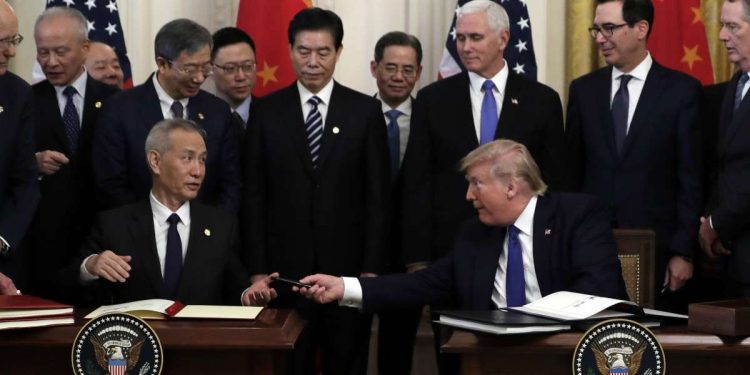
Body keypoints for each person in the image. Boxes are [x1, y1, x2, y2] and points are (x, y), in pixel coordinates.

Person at [288, 139, 624, 317]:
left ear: (511, 187)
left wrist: (536, 321)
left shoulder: (577, 215)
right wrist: (343, 287)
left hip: (566, 352)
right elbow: (423, 285)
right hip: (491, 358)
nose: (468, 195)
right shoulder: (474, 234)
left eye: (476, 184)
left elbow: (596, 289)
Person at [242, 7, 390, 375]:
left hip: (347, 272)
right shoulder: (267, 112)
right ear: (290, 50)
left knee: (347, 361)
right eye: (303, 51)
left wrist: (371, 270)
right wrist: (258, 270)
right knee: (290, 363)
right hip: (284, 273)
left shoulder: (364, 111)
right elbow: (254, 195)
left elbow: (378, 197)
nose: (313, 62)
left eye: (323, 52)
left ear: (339, 52)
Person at [401, 0, 568, 278]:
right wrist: (417, 257)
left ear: (503, 39)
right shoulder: (432, 100)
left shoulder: (542, 100)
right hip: (450, 248)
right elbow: (418, 182)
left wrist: (554, 242)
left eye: (475, 38)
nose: (465, 47)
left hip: (523, 247)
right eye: (461, 38)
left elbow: (555, 181)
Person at [566, 0, 703, 311]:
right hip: (593, 247)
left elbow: (691, 178)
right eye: (596, 29)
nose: (600, 38)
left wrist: (684, 252)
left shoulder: (682, 91)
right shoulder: (583, 91)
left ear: (641, 28)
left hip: (658, 249)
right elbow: (571, 176)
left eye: (609, 28)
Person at [65, 119, 268, 305]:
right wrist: (90, 266)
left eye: (203, 160)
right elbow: (65, 283)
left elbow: (234, 290)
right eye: (187, 158)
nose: (198, 171)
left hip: (200, 341)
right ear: (155, 161)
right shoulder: (114, 224)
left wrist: (247, 296)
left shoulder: (221, 226)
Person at [92, 19, 241, 213]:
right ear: (162, 63)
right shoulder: (120, 109)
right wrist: (152, 227)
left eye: (205, 68)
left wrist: (210, 230)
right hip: (138, 232)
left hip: (205, 234)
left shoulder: (218, 112)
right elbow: (110, 183)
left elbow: (230, 184)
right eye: (189, 69)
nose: (199, 78)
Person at [30, 6, 119, 303]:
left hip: (104, 245)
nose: (51, 62)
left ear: (84, 48)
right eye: (43, 53)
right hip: (42, 247)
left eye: (60, 52)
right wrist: (34, 164)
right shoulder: (25, 102)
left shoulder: (116, 102)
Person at [369, 31, 423, 375]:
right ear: (374, 68)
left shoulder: (431, 118)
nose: (398, 77)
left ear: (418, 72)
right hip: (360, 251)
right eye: (390, 68)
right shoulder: (355, 115)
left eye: (407, 69)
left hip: (412, 253)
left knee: (398, 344)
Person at [699, 0, 750, 298]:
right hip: (730, 258)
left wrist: (717, 223)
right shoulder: (734, 86)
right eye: (722, 25)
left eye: (732, 27)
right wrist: (709, 219)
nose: (721, 36)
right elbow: (722, 166)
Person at [0, 0, 40, 293]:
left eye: (14, 40)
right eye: (2, 42)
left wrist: (3, 239)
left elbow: (25, 181)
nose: (11, 51)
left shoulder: (18, 95)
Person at [211, 27, 256, 132]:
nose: (241, 77)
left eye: (247, 66)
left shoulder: (273, 116)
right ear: (211, 70)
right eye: (230, 68)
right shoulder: (198, 119)